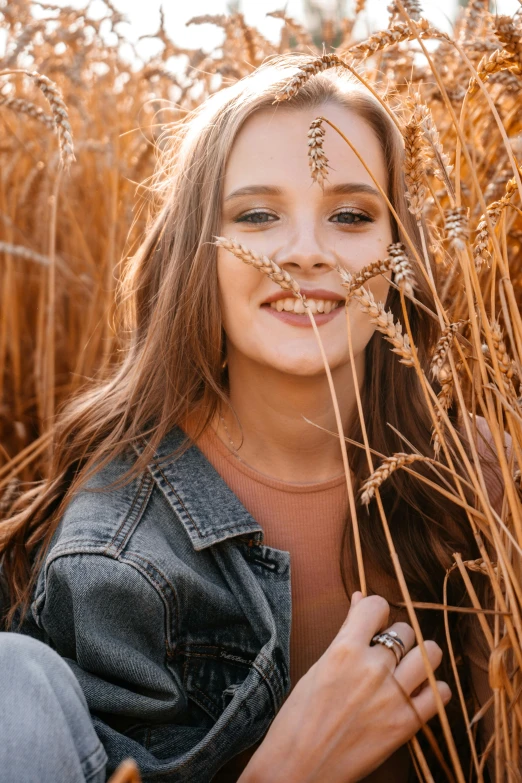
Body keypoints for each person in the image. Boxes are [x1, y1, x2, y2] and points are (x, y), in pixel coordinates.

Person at [0, 53, 508, 782]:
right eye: (258, 215)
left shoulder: (482, 486)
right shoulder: (119, 556)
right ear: (196, 254)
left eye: (352, 214)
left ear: (398, 253)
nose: (306, 252)